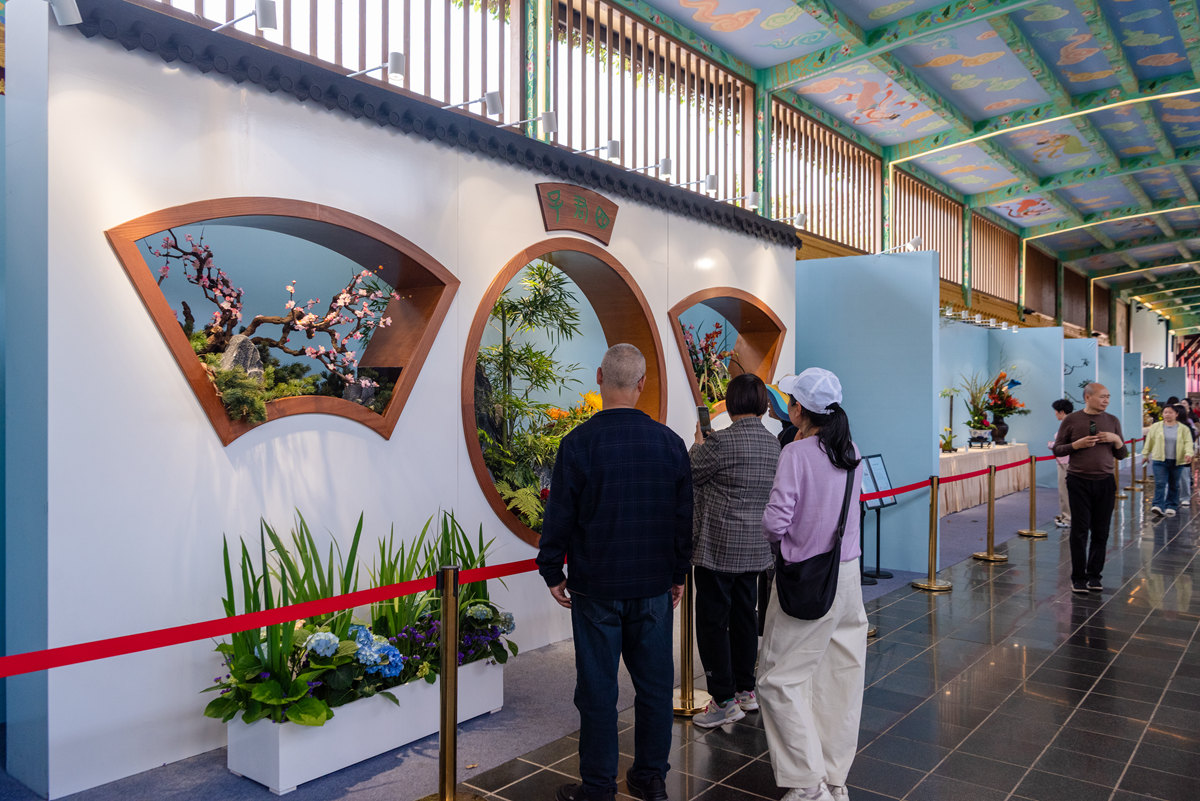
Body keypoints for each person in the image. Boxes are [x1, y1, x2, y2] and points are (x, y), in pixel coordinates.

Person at [536, 343, 693, 801]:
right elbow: (683, 519)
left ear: (600, 377)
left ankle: (599, 786)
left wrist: (552, 570)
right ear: (642, 383)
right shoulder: (670, 444)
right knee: (655, 687)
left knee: (598, 690)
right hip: (653, 585)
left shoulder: (577, 444)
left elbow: (559, 516)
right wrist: (679, 573)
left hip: (596, 586)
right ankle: (650, 778)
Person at [758, 368, 867, 801]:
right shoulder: (850, 450)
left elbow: (775, 522)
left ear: (798, 409)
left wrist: (778, 537)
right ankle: (835, 779)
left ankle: (807, 783)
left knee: (778, 680)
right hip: (848, 576)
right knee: (839, 677)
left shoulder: (796, 454)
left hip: (807, 578)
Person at [687, 374, 780, 728]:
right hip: (755, 548)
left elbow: (690, 471)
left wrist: (697, 443)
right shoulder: (774, 445)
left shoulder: (720, 442)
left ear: (730, 403)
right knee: (745, 617)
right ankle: (745, 690)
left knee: (712, 622)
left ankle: (723, 699)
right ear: (763, 405)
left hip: (717, 548)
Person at [1052, 382, 1128, 595]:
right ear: (1087, 397)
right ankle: (1078, 578)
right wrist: (1076, 445)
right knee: (1079, 530)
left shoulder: (1112, 421)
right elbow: (1058, 449)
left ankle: (1094, 576)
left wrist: (1115, 440)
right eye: (1102, 396)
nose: (1106, 400)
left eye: (1108, 397)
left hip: (1105, 481)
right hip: (1078, 481)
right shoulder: (1071, 420)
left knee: (1101, 531)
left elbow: (1122, 455)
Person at [1142, 404, 1194, 518]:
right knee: (1160, 483)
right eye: (1165, 412)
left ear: (1176, 414)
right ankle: (1158, 505)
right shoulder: (1156, 427)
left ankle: (1171, 506)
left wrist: (1188, 453)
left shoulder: (1183, 428)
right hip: (1159, 460)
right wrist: (1145, 454)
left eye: (1170, 412)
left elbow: (1188, 443)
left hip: (1177, 460)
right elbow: (1149, 441)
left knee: (1174, 484)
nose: (1167, 415)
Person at [1049, 399, 1074, 528]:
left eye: (1055, 411)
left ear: (1061, 411)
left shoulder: (1066, 424)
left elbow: (1063, 444)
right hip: (1072, 461)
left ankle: (1067, 518)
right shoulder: (1074, 421)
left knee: (1064, 491)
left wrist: (1051, 445)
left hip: (1065, 462)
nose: (1055, 414)